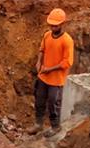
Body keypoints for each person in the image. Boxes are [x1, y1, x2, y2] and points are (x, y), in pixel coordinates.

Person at [29, 8, 74, 137]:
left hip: (56, 79)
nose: (53, 27)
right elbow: (42, 49)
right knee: (39, 100)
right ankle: (38, 124)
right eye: (51, 25)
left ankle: (55, 127)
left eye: (56, 25)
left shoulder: (67, 41)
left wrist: (50, 69)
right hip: (43, 76)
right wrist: (39, 62)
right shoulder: (47, 35)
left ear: (62, 24)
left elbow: (67, 62)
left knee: (53, 103)